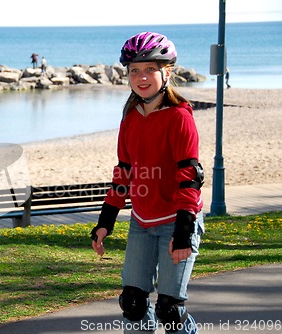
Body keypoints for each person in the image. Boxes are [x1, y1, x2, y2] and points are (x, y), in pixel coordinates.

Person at [91, 32, 204, 334]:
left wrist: (183, 231)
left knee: (169, 310)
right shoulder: (130, 117)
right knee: (132, 303)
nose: (142, 77)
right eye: (134, 71)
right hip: (142, 221)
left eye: (150, 69)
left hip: (177, 220)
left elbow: (189, 177)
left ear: (167, 72)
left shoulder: (179, 117)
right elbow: (123, 173)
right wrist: (106, 221)